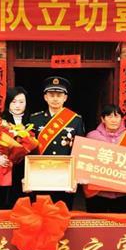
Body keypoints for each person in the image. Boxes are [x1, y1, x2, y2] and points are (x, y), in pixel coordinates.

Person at [29, 76, 85, 209]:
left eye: (59, 95)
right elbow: (29, 149)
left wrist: (75, 178)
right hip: (40, 174)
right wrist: (28, 176)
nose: (55, 98)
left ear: (65, 98)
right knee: (41, 212)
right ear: (45, 97)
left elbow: (79, 150)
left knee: (63, 212)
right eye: (51, 95)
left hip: (65, 175)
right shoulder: (35, 119)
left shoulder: (75, 120)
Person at [84, 104, 126, 213]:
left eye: (117, 116)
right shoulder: (92, 136)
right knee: (96, 222)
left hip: (121, 193)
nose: (113, 120)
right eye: (109, 116)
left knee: (120, 222)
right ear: (103, 119)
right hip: (98, 192)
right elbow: (84, 160)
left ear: (121, 119)